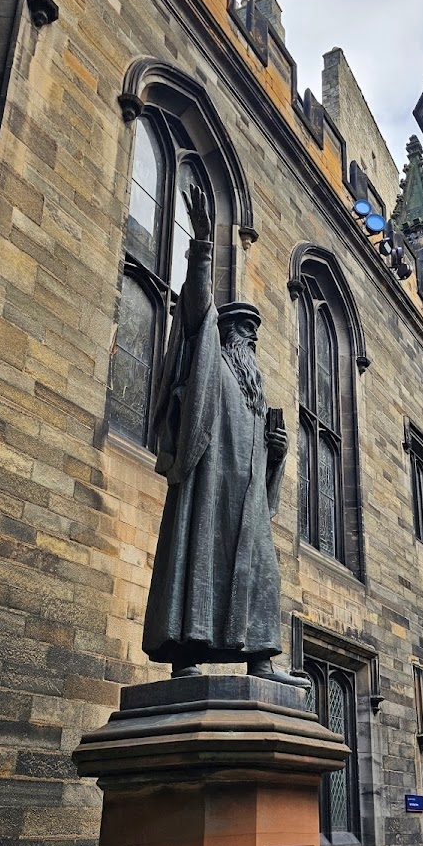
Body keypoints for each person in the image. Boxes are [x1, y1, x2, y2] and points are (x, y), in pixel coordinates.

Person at [142, 185, 306, 685]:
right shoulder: (212, 359)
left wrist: (275, 457)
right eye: (244, 331)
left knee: (261, 567)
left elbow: (263, 461)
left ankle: (260, 659)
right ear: (227, 333)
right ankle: (186, 655)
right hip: (210, 485)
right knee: (199, 558)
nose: (251, 340)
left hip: (248, 498)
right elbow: (197, 311)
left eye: (255, 335)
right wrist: (203, 248)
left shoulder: (256, 395)